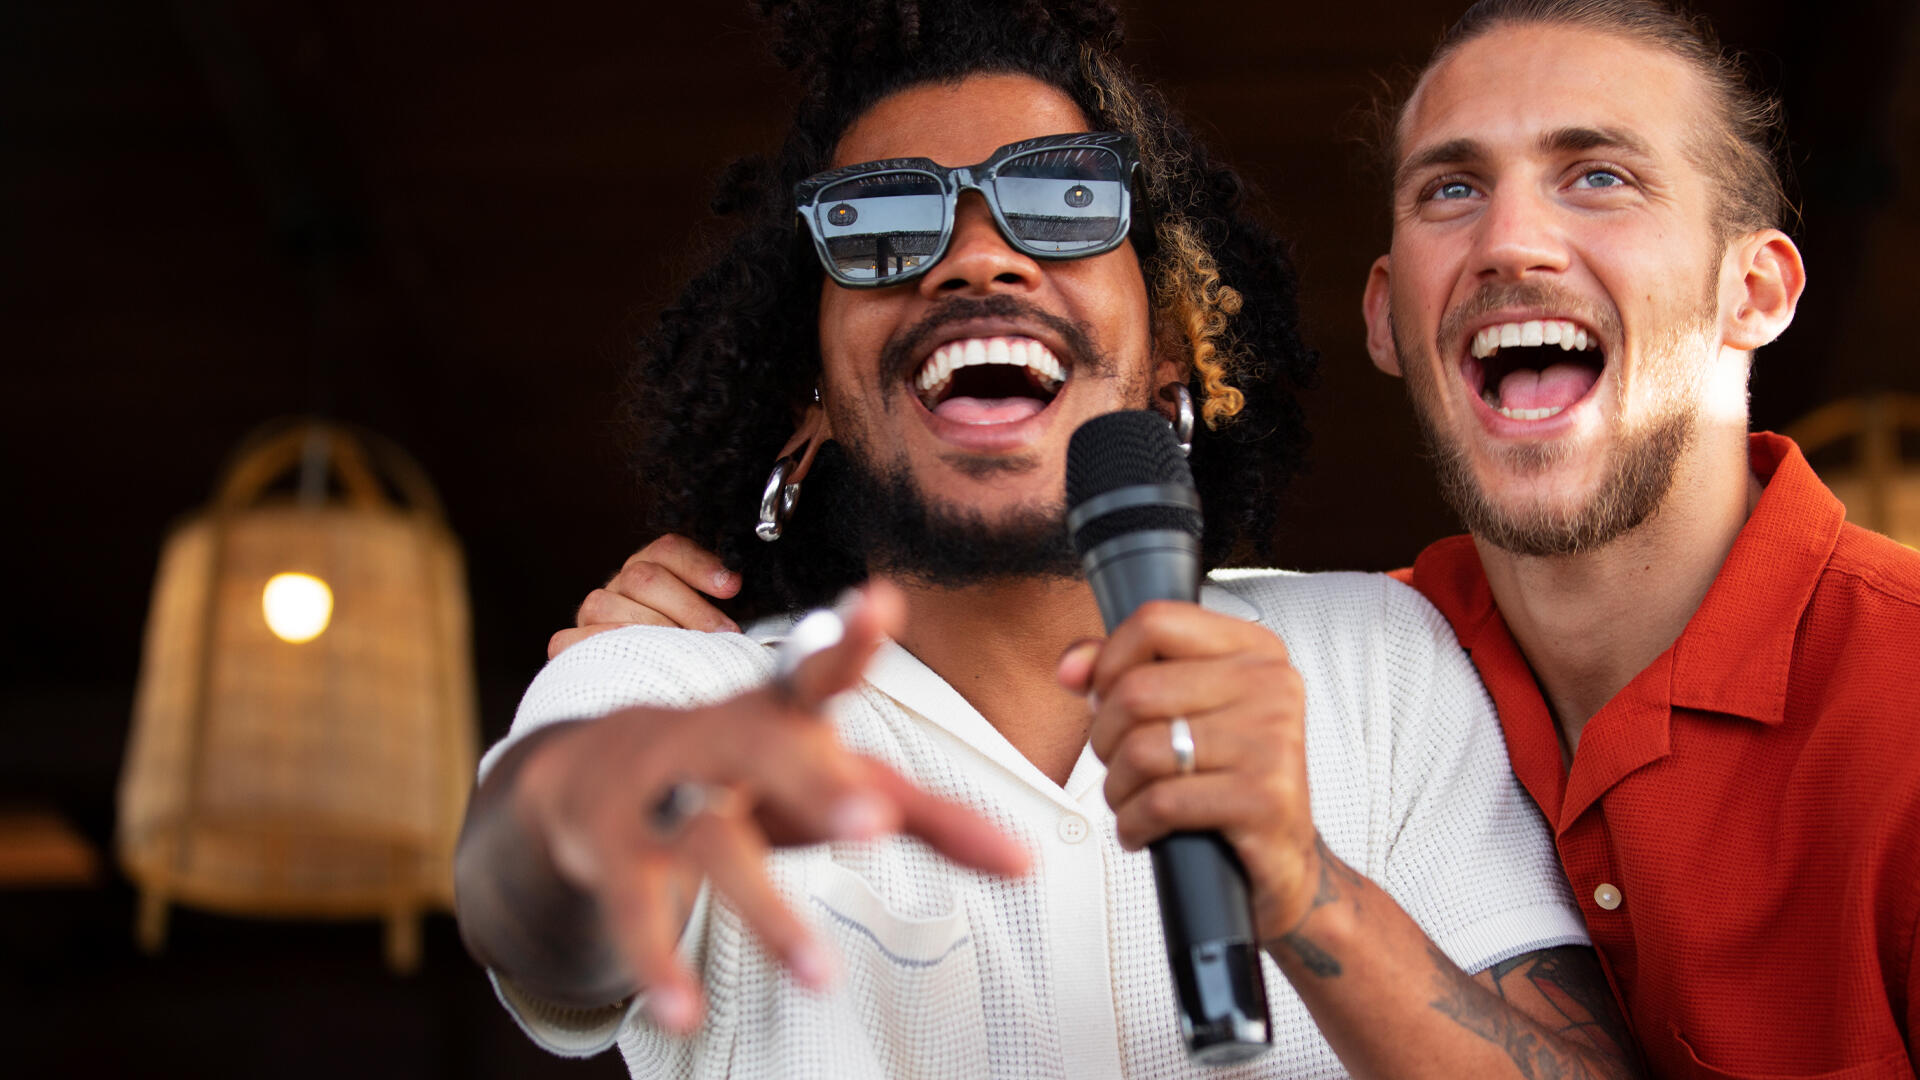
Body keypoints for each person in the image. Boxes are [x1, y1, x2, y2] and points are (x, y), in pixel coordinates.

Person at [457, 2, 1641, 1078]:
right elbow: (527, 894)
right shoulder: (681, 689)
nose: (978, 256)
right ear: (804, 388)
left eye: (1065, 202)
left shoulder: (1378, 659)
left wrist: (1304, 884)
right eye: (880, 224)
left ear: (1171, 346)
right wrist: (591, 809)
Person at [1361, 0, 1920, 1075]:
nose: (1509, 241)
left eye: (1600, 177)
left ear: (1752, 289)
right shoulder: (1347, 684)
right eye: (1453, 189)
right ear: (1388, 319)